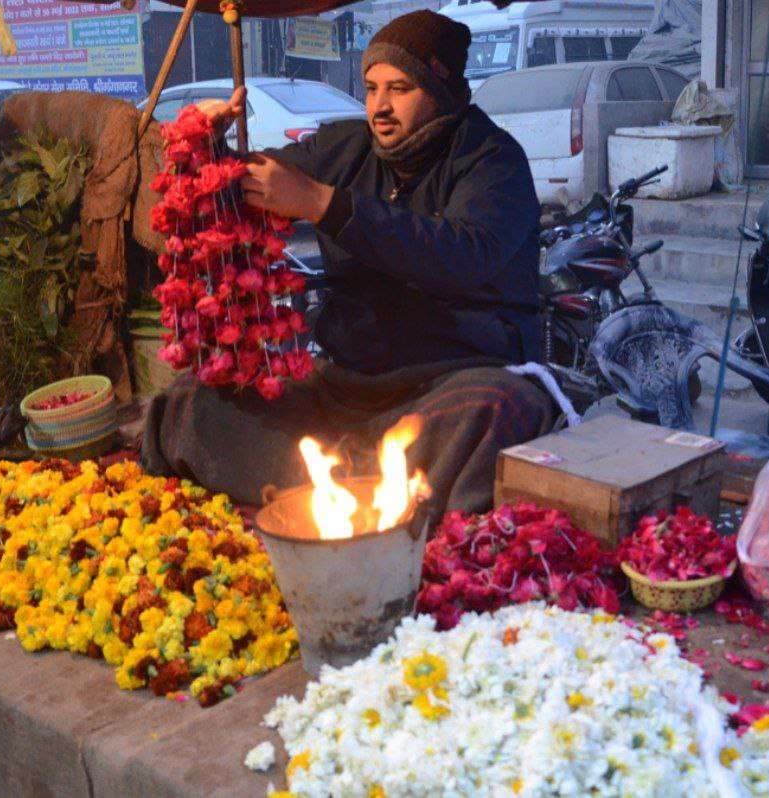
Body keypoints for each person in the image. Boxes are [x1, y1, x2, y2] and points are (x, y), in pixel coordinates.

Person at [141, 10, 558, 514]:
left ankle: (326, 483)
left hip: (446, 382)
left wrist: (324, 204)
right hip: (344, 388)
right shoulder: (345, 146)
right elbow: (247, 183)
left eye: (400, 88)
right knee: (193, 402)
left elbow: (465, 254)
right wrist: (212, 144)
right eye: (371, 87)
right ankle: (363, 480)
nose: (379, 107)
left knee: (499, 408)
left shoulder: (493, 161)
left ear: (443, 91)